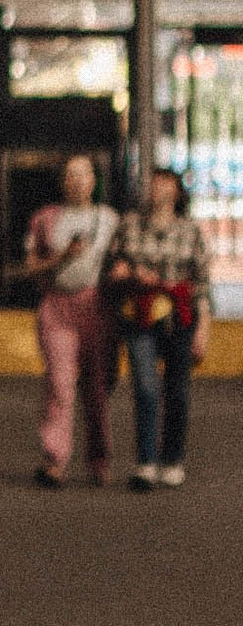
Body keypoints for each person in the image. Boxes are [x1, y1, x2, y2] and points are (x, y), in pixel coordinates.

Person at [108, 164, 212, 489]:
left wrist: (203, 327)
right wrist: (125, 271)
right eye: (154, 184)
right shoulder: (129, 225)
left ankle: (173, 458)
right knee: (146, 386)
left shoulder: (190, 231)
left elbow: (201, 283)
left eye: (166, 184)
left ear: (177, 192)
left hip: (179, 317)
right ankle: (146, 460)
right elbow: (113, 265)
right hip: (140, 314)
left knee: (177, 390)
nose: (159, 189)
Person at [26, 151, 118, 486]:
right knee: (59, 385)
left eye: (83, 174)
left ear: (94, 181)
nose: (77, 181)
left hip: (96, 308)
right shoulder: (46, 219)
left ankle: (99, 458)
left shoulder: (110, 220)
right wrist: (62, 257)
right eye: (70, 175)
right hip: (56, 307)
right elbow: (31, 265)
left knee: (96, 387)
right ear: (62, 182)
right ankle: (54, 458)